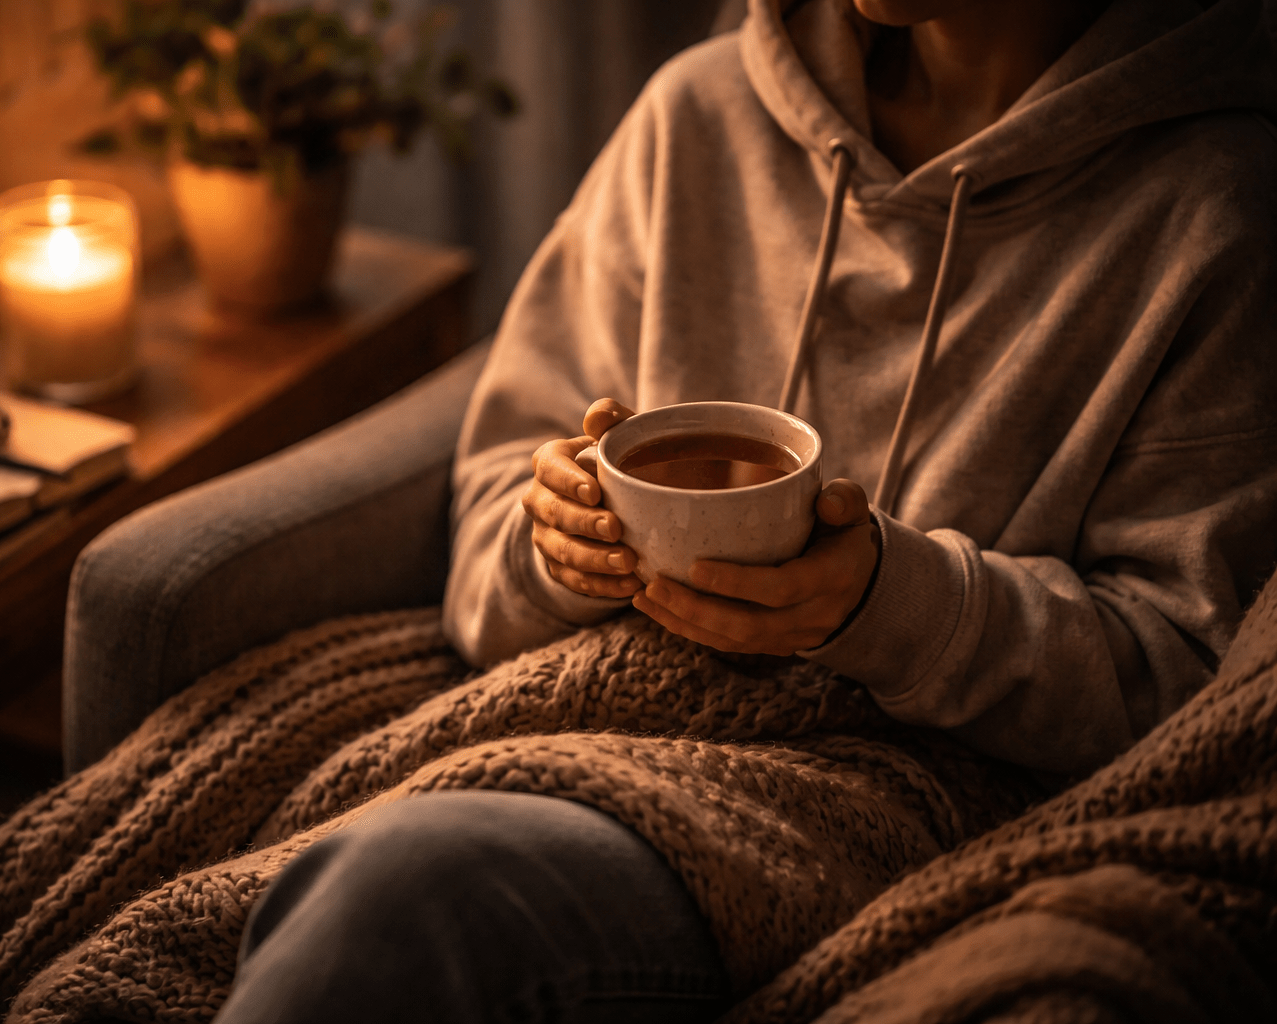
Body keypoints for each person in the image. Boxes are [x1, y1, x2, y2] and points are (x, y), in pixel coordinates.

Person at [213, 0, 1277, 1020]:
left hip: (907, 801)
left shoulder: (1212, 210)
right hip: (600, 721)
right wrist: (553, 545)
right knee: (345, 887)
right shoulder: (697, 117)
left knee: (404, 895)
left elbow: (1191, 686)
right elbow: (502, 492)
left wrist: (887, 605)